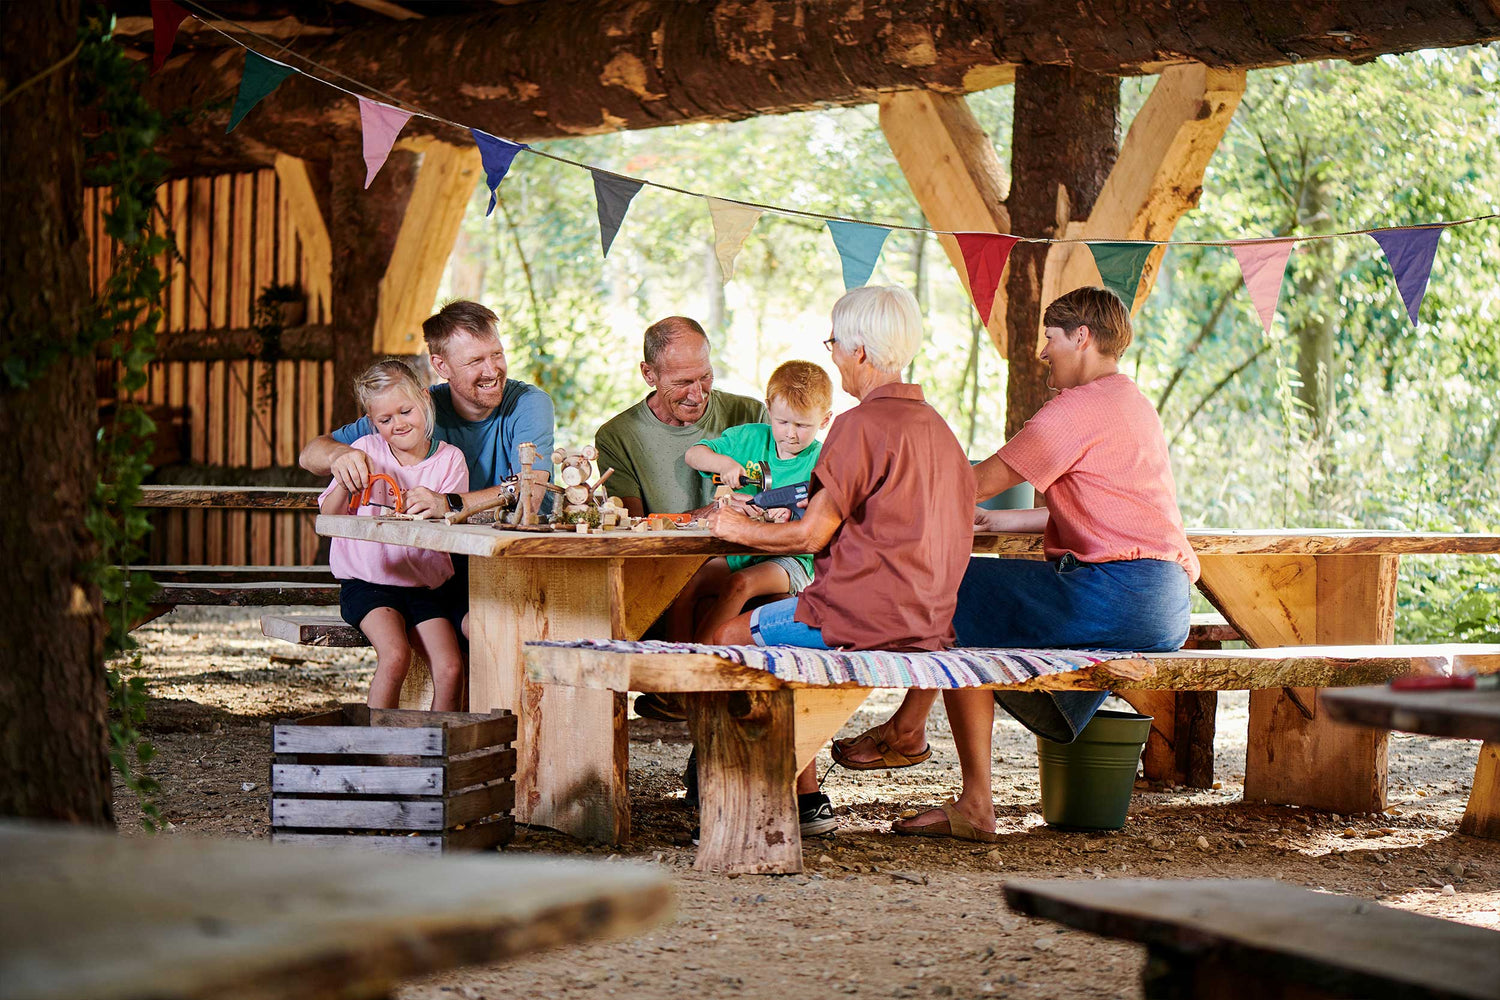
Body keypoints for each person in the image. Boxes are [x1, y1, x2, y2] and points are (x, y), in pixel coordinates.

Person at [835, 286, 1199, 843]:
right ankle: (924, 749)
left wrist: (876, 493)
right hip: (1163, 599)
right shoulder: (1130, 401)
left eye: (1050, 338)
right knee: (969, 611)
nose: (1042, 351)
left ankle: (931, 756)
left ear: (1082, 337)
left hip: (1120, 591)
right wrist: (998, 523)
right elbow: (1104, 511)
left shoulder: (1078, 406)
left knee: (951, 592)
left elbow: (973, 483)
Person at [706, 286, 975, 837]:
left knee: (722, 640)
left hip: (858, 617)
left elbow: (809, 535)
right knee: (778, 633)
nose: (831, 355)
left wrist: (737, 526)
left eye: (833, 344)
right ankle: (797, 792)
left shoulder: (857, 425)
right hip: (930, 620)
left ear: (858, 352)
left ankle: (740, 798)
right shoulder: (941, 431)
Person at [301, 300, 555, 635]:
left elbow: (531, 491)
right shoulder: (414, 411)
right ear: (441, 365)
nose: (492, 370)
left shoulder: (528, 403)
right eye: (475, 361)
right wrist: (339, 457)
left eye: (496, 354)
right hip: (437, 570)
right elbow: (310, 454)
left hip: (511, 563)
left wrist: (447, 504)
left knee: (489, 631)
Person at [317, 360, 469, 711]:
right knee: (396, 655)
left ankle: (436, 755)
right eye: (386, 420)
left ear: (425, 401)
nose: (398, 424)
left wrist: (438, 506)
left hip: (424, 587)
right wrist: (345, 472)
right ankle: (374, 751)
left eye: (405, 411)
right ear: (373, 423)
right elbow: (329, 516)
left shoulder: (450, 461)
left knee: (450, 667)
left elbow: (451, 526)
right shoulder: (366, 451)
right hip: (368, 583)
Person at [672, 360, 834, 643]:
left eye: (802, 425)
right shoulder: (750, 437)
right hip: (742, 552)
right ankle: (670, 666)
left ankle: (701, 657)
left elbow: (819, 527)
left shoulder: (824, 461)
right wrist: (724, 464)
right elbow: (693, 455)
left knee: (741, 583)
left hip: (790, 561)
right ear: (768, 408)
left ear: (824, 420)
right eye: (782, 422)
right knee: (686, 583)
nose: (791, 433)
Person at [594, 316, 764, 518]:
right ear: (648, 374)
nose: (698, 395)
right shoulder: (616, 437)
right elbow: (633, 529)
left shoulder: (753, 415)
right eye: (683, 382)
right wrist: (709, 514)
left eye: (705, 377)